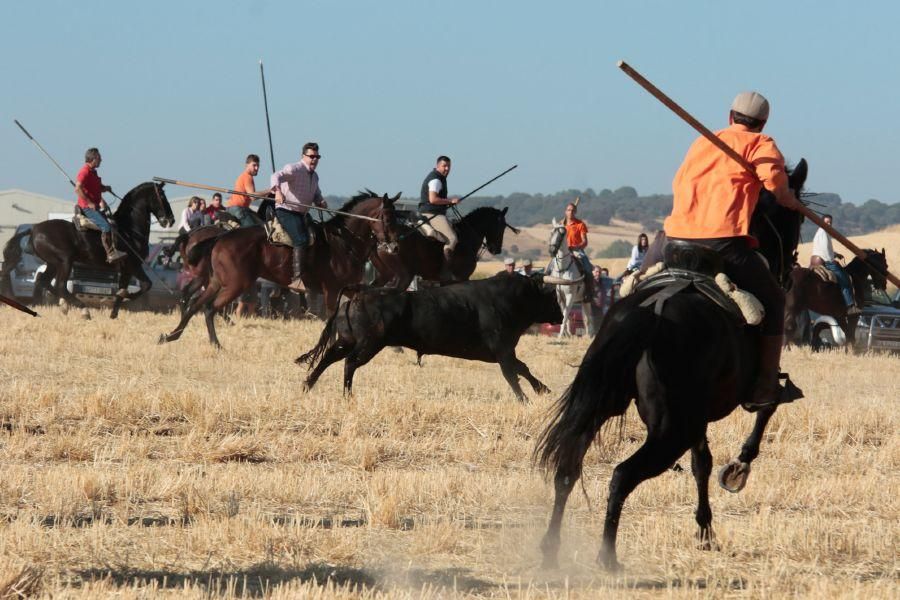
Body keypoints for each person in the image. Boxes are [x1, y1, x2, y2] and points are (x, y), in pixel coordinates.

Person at [663, 90, 804, 411]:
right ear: (763, 122)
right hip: (723, 242)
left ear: (730, 117)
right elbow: (775, 187)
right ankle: (766, 384)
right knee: (776, 299)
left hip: (674, 238)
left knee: (637, 282)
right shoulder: (761, 143)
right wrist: (789, 198)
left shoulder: (704, 141)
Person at [270, 142, 328, 291]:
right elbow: (276, 175)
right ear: (303, 156)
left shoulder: (315, 176)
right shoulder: (294, 168)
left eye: (317, 156)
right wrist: (277, 191)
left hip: (302, 213)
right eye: (311, 156)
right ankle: (296, 279)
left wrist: (320, 201)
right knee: (301, 239)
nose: (314, 159)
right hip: (286, 210)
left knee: (318, 236)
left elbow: (316, 193)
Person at [74, 147, 126, 262]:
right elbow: (77, 188)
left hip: (95, 207)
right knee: (106, 227)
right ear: (93, 159)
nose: (101, 160)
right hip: (87, 208)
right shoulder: (85, 171)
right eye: (99, 158)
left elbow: (95, 188)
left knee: (113, 223)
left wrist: (104, 188)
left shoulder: (93, 172)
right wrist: (89, 202)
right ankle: (111, 253)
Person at [418, 155, 460, 276]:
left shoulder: (438, 177)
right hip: (432, 213)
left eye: (449, 166)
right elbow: (433, 199)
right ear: (437, 166)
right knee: (452, 239)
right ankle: (445, 272)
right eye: (444, 166)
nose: (447, 169)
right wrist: (449, 201)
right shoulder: (436, 179)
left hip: (431, 211)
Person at [811, 214, 860, 315]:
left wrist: (836, 254)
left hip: (816, 260)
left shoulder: (820, 232)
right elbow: (825, 250)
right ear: (822, 222)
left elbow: (824, 248)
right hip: (827, 262)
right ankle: (850, 306)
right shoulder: (824, 232)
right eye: (827, 222)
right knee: (845, 281)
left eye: (830, 222)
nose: (829, 224)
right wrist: (832, 260)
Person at [563, 202, 593, 300]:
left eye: (572, 210)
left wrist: (576, 247)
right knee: (549, 268)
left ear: (575, 212)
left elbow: (585, 242)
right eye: (568, 210)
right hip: (563, 252)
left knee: (588, 268)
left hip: (576, 251)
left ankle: (588, 293)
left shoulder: (580, 224)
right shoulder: (561, 225)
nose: (570, 212)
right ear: (565, 212)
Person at [228, 154, 263, 227]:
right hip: (238, 209)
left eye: (258, 166)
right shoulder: (247, 177)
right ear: (247, 165)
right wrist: (269, 191)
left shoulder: (244, 176)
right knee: (253, 231)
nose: (257, 168)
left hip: (239, 208)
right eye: (254, 165)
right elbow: (253, 196)